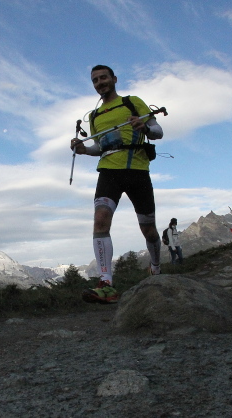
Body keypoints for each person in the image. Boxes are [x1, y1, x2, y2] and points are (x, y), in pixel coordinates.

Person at [70, 65, 164, 304]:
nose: (100, 82)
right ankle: (106, 284)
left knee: (149, 229)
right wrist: (83, 150)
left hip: (137, 170)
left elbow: (158, 130)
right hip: (108, 171)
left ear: (114, 79)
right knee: (100, 220)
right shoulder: (94, 116)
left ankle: (155, 267)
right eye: (95, 80)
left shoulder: (132, 102)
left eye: (103, 77)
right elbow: (100, 146)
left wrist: (144, 127)